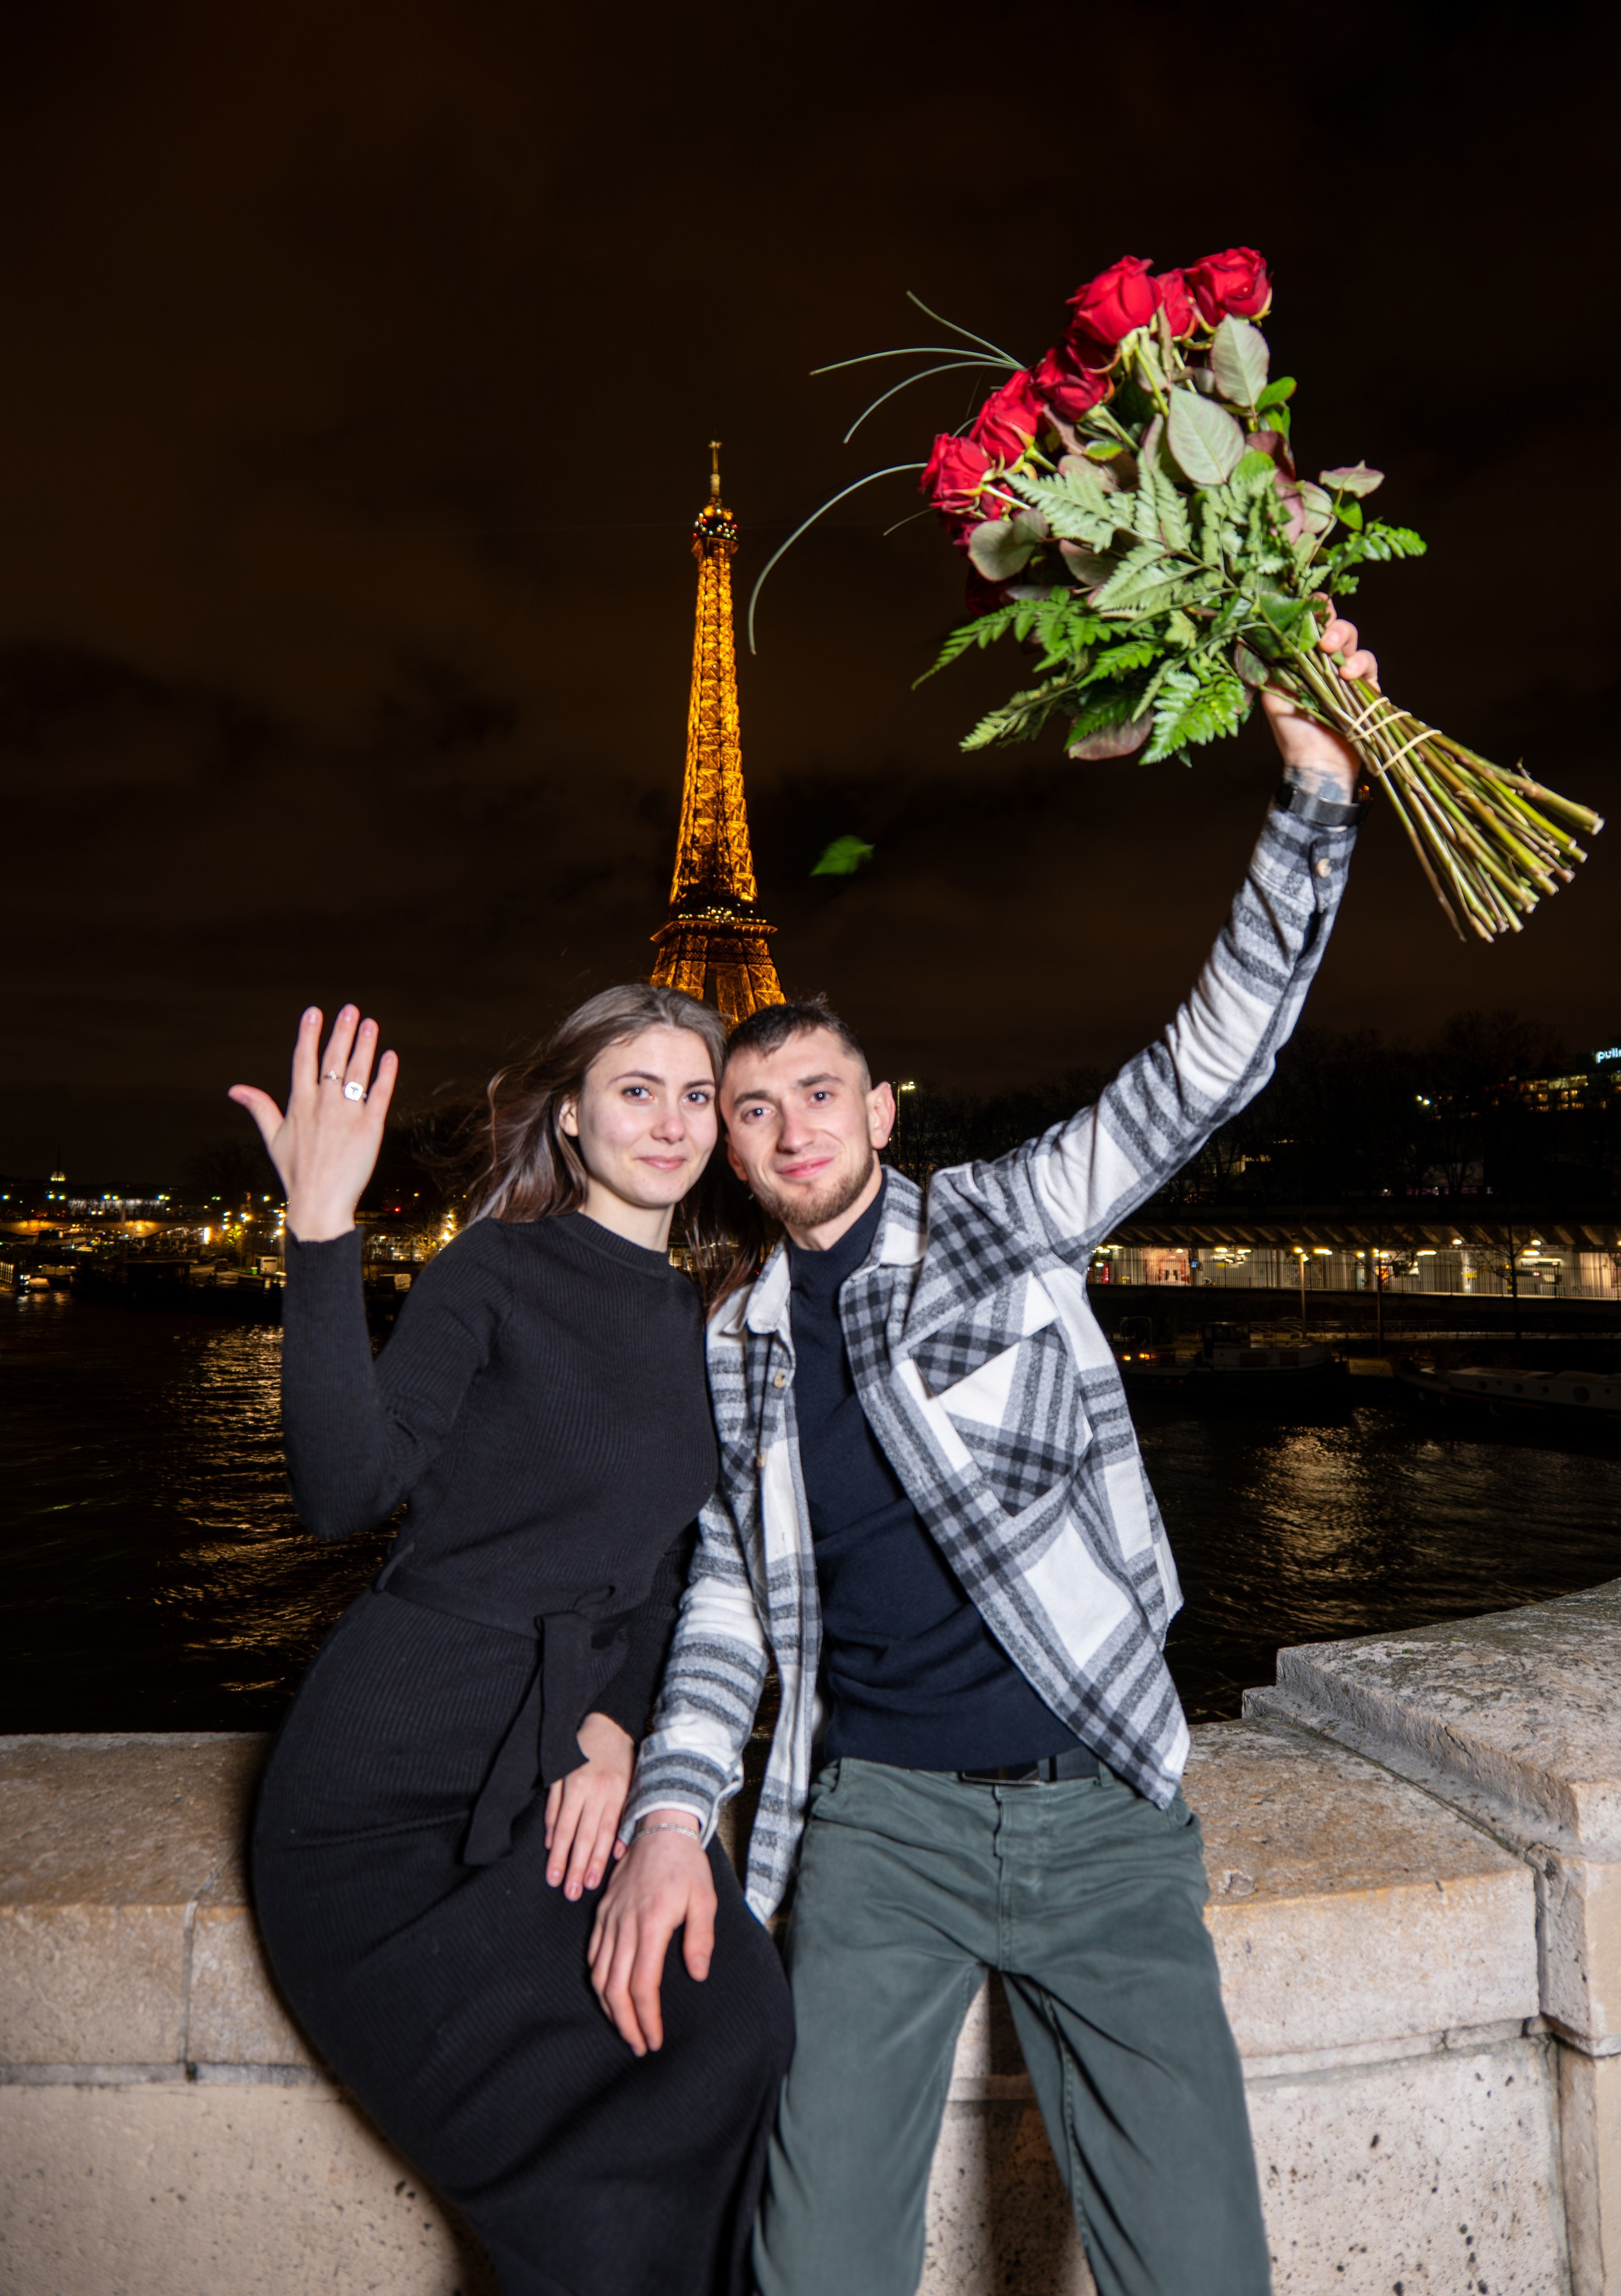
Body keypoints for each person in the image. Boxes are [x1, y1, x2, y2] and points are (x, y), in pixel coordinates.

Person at [588, 619, 1379, 2296]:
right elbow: (728, 1603)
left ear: (882, 1113)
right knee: (816, 2259)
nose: (789, 1120)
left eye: (822, 1089)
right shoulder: (731, 1346)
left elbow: (1200, 1076)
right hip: (876, 1828)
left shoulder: (1003, 1228)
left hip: (1098, 1801)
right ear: (728, 1149)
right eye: (752, 1105)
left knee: (1200, 2262)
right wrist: (673, 1804)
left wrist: (1313, 788)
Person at [231, 982, 793, 2296]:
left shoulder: (703, 1320)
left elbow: (669, 1569)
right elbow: (343, 1490)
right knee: (586, 2177)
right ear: (572, 1117)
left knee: (732, 2015)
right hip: (387, 1787)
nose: (668, 1120)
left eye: (696, 1093)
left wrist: (612, 1728)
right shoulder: (491, 1268)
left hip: (552, 1762)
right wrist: (320, 1229)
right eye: (634, 1090)